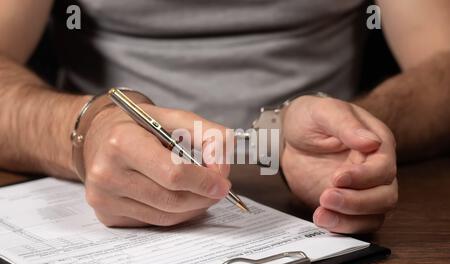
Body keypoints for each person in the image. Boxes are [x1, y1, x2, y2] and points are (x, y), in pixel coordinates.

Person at [0, 1, 448, 234]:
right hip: (100, 194)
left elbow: (442, 61)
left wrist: (352, 136)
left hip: (307, 191)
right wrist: (85, 131)